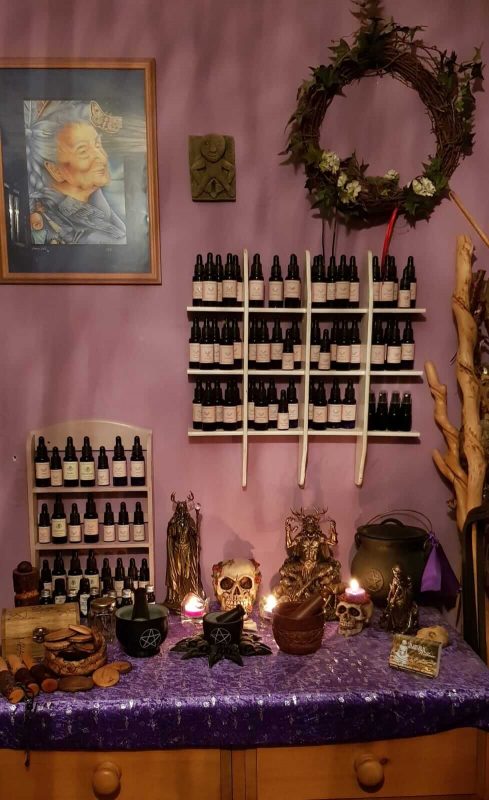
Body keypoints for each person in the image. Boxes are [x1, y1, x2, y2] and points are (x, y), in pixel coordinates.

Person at [24, 100, 126, 245]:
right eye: (83, 151)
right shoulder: (55, 223)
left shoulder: (98, 205)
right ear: (55, 169)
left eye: (98, 144)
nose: (102, 157)